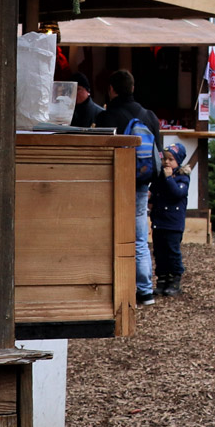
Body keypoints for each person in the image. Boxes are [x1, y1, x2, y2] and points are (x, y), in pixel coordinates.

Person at [97, 69, 162, 305]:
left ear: (112, 89)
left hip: (112, 183)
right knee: (139, 237)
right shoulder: (149, 116)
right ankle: (145, 291)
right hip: (140, 184)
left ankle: (112, 285)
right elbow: (158, 153)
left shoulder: (107, 117)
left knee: (108, 232)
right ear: (132, 88)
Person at [149, 141, 190, 297]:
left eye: (171, 159)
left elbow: (176, 193)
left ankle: (174, 280)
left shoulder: (182, 178)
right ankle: (162, 279)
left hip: (173, 224)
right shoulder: (160, 177)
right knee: (159, 252)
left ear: (178, 161)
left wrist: (168, 178)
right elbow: (153, 192)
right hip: (159, 222)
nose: (167, 162)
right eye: (165, 159)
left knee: (172, 252)